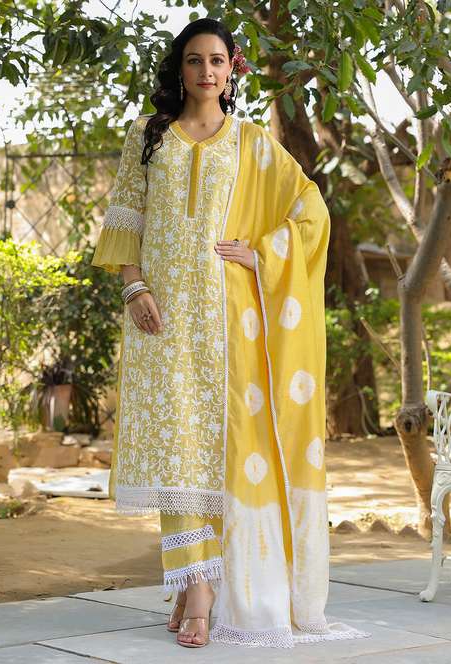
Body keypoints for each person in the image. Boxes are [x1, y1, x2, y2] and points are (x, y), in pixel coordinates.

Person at [91, 17, 371, 650]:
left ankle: (199, 585)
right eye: (195, 60)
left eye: (217, 60)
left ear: (232, 69)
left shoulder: (250, 144)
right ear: (180, 69)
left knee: (213, 450)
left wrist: (262, 252)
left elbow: (310, 211)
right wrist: (135, 288)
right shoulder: (148, 135)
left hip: (226, 324)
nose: (206, 72)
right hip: (160, 319)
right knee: (174, 448)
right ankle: (195, 581)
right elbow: (126, 221)